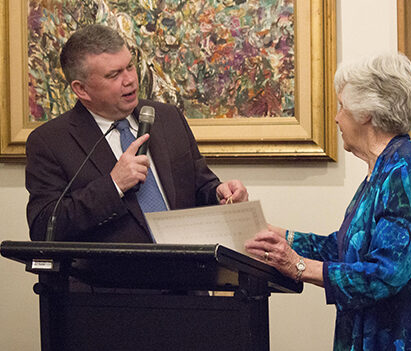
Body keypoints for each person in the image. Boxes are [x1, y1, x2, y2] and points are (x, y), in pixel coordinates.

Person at [245, 53, 411, 350]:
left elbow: (386, 273)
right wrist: (279, 237)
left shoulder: (408, 172)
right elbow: (344, 248)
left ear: (366, 112)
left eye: (342, 106)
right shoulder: (382, 170)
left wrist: (299, 266)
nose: (338, 117)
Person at [26, 24, 248, 243]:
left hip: (185, 273)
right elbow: (44, 227)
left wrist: (219, 193)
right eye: (114, 75)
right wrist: (113, 186)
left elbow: (200, 187)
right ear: (81, 89)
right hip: (108, 277)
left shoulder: (168, 118)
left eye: (130, 66)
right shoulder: (50, 141)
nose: (130, 79)